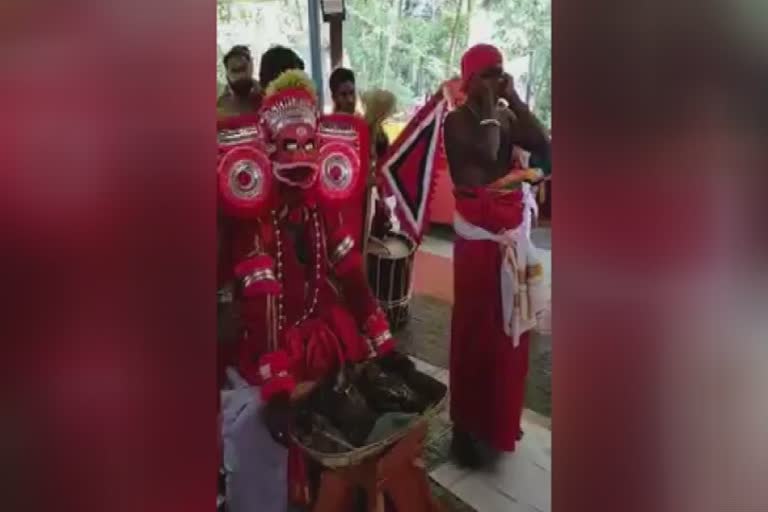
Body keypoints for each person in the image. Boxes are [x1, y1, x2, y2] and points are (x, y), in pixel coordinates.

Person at [217, 69, 396, 512]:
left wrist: (382, 339)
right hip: (263, 349)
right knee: (261, 433)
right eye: (288, 146)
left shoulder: (320, 203)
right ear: (266, 149)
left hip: (318, 335)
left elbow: (350, 269)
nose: (300, 158)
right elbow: (263, 300)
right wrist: (277, 385)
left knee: (353, 418)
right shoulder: (255, 217)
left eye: (309, 145)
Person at [443, 43, 551, 468]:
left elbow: (541, 142)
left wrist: (515, 98)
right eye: (488, 73)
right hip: (477, 247)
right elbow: (488, 153)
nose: (495, 81)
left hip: (508, 237)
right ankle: (466, 429)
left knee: (509, 338)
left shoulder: (504, 115)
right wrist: (489, 104)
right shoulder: (457, 122)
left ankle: (498, 425)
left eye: (500, 73)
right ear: (469, 80)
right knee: (475, 337)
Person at [217, 45, 262, 118]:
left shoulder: (265, 94)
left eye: (243, 68)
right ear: (227, 74)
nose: (240, 75)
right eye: (235, 70)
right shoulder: (221, 106)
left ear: (251, 68)